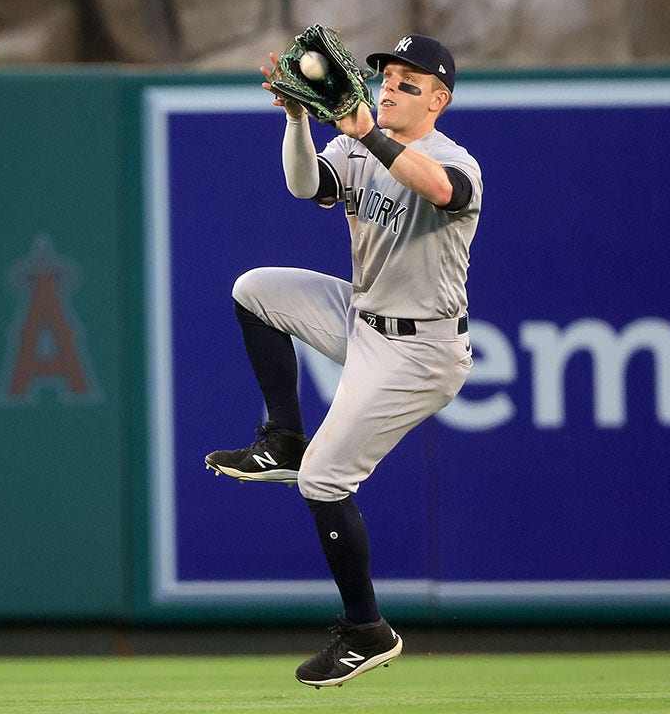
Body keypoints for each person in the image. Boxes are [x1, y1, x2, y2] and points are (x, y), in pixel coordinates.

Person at [204, 34, 482, 688]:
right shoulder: (357, 142)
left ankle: (367, 629)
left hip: (422, 349)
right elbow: (307, 186)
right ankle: (284, 437)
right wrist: (298, 119)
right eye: (388, 77)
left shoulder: (452, 157)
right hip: (365, 318)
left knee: (325, 483)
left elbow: (441, 191)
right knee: (255, 291)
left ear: (439, 100)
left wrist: (365, 132)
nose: (390, 88)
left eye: (410, 84)